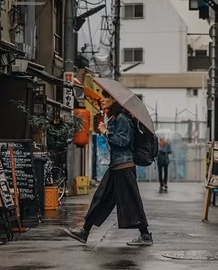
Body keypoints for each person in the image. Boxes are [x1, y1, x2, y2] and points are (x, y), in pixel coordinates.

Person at [64, 93, 152, 246]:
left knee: (131, 200)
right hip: (116, 166)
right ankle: (84, 231)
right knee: (101, 198)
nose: (102, 100)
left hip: (124, 167)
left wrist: (105, 131)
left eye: (106, 98)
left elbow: (123, 141)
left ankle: (145, 235)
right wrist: (106, 128)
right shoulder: (115, 118)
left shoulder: (123, 119)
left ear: (114, 101)